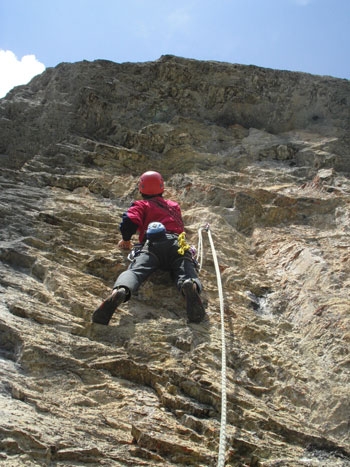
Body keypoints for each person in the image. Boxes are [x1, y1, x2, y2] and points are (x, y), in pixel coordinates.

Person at [92, 170, 205, 325]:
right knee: (185, 268)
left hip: (152, 245)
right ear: (162, 188)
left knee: (136, 271)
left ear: (141, 188)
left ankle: (121, 290)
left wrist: (126, 240)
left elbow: (129, 221)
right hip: (177, 244)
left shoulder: (141, 205)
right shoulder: (173, 206)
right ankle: (189, 285)